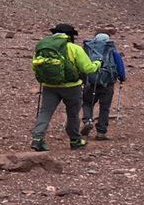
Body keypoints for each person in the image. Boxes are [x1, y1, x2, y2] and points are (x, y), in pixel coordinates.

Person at [30, 23, 101, 152]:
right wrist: (97, 64)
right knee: (73, 113)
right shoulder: (74, 48)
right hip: (71, 87)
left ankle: (37, 138)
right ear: (69, 35)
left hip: (49, 86)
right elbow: (87, 68)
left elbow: (34, 66)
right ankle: (75, 140)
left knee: (45, 112)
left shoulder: (42, 46)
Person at [80, 32, 126, 140]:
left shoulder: (88, 50)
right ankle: (101, 132)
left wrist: (82, 79)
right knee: (104, 107)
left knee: (87, 103)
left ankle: (87, 120)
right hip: (107, 84)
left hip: (90, 82)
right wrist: (122, 78)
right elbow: (120, 66)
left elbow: (81, 64)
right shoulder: (112, 50)